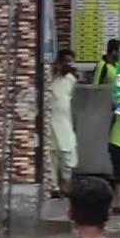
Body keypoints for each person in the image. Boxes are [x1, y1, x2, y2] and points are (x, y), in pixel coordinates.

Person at [95, 40, 120, 212]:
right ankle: (119, 201)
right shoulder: (103, 66)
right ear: (113, 51)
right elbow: (96, 88)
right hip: (118, 134)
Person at [48, 49, 79, 196]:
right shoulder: (51, 79)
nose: (69, 64)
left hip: (66, 123)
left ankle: (66, 183)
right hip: (52, 123)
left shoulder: (72, 81)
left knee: (68, 156)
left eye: (71, 61)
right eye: (66, 61)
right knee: (53, 156)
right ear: (59, 63)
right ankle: (54, 187)